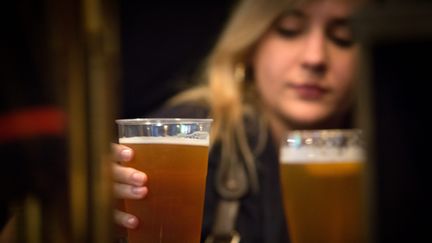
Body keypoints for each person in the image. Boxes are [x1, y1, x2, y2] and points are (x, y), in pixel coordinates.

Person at [112, 0, 366, 242]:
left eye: (343, 37)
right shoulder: (188, 133)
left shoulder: (392, 154)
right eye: (289, 30)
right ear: (250, 45)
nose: (315, 58)